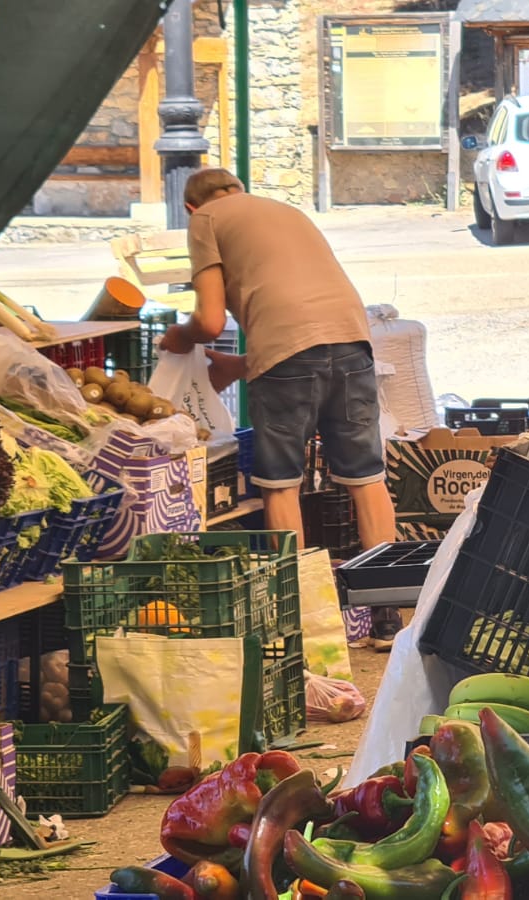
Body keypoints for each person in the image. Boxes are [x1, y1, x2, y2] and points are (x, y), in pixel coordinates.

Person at [160, 169, 404, 648]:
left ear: (191, 206)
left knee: (280, 484)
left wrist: (180, 337)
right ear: (237, 190)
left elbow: (209, 321)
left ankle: (298, 618)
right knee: (366, 478)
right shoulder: (282, 211)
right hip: (353, 341)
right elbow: (306, 326)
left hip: (289, 355)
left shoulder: (205, 218)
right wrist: (241, 365)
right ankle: (388, 617)